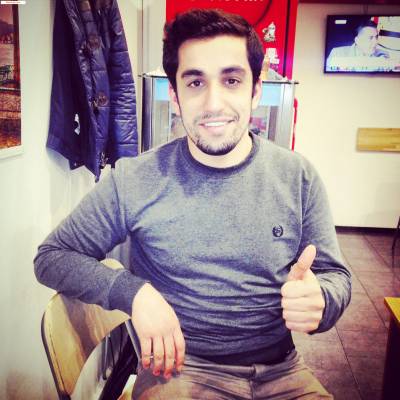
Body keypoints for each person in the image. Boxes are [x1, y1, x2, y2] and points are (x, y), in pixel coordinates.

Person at [35, 9, 351, 400]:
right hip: (180, 369)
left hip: (284, 370)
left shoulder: (298, 176)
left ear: (256, 90)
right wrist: (134, 292)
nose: (213, 103)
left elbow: (335, 276)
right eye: (196, 82)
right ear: (175, 95)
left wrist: (322, 298)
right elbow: (52, 257)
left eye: (232, 80)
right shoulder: (134, 179)